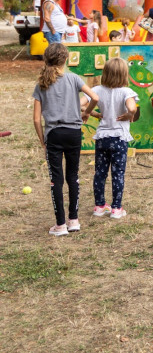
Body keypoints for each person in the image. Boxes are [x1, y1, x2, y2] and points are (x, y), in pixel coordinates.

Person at [32, 43, 99, 236]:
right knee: (73, 176)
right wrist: (87, 113)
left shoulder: (41, 84)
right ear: (66, 59)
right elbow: (95, 97)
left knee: (56, 180)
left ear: (46, 59)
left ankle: (60, 225)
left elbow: (36, 119)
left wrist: (43, 141)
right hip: (74, 133)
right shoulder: (74, 78)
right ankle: (74, 220)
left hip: (54, 134)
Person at [89, 57, 137, 220]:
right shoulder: (126, 92)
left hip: (102, 138)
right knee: (118, 174)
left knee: (100, 173)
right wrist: (129, 114)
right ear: (124, 74)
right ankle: (116, 208)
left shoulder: (97, 90)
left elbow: (80, 103)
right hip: (119, 139)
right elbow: (132, 107)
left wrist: (92, 113)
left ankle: (99, 206)